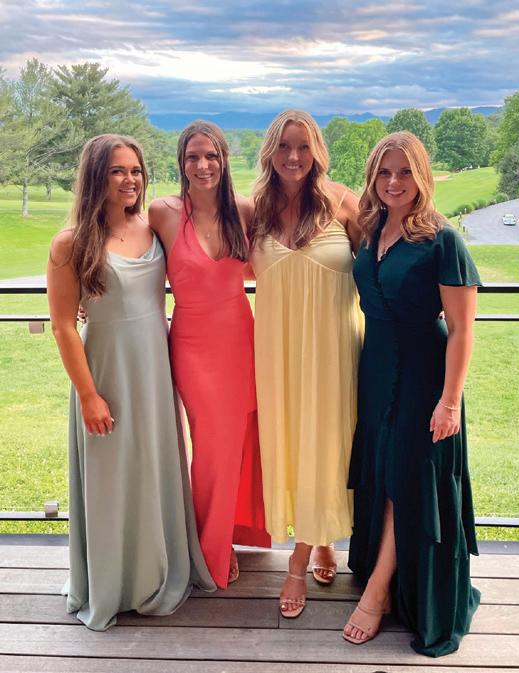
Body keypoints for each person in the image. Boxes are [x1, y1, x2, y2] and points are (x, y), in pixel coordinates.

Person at [47, 134, 215, 630]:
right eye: (117, 170)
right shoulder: (70, 242)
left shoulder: (152, 226)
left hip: (155, 367)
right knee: (112, 474)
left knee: (154, 466)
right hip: (107, 370)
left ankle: (156, 570)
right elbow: (62, 326)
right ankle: (112, 582)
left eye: (136, 170)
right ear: (95, 177)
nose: (130, 179)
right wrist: (89, 395)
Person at [344, 131, 481, 656]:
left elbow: (462, 330)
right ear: (373, 178)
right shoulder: (369, 227)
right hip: (376, 370)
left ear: (421, 175)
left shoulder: (443, 240)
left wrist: (450, 401)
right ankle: (387, 576)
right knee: (382, 472)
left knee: (408, 479)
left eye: (404, 172)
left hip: (425, 374)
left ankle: (378, 592)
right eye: (384, 172)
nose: (394, 181)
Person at [249, 109, 363, 618]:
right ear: (270, 151)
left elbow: (391, 249)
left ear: (317, 151)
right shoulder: (254, 209)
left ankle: (299, 561)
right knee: (293, 446)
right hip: (277, 352)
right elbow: (205, 254)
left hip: (334, 349)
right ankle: (322, 540)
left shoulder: (343, 202)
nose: (293, 157)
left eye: (302, 146)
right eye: (283, 146)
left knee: (328, 444)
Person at [149, 120, 270, 589]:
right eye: (193, 157)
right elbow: (118, 244)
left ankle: (229, 534)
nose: (203, 165)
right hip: (193, 345)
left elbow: (276, 260)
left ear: (224, 160)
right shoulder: (163, 213)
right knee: (212, 449)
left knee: (239, 442)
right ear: (181, 163)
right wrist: (86, 292)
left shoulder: (246, 210)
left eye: (211, 155)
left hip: (242, 340)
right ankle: (208, 548)